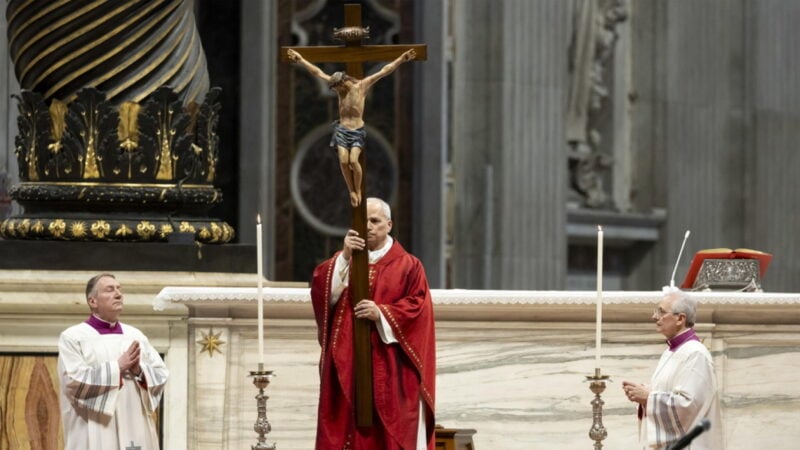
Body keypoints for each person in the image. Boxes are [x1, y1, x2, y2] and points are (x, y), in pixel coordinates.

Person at [310, 197, 436, 449]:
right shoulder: (344, 261)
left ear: (389, 225)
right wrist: (345, 256)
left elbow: (419, 308)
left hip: (390, 365)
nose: (367, 226)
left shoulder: (409, 265)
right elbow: (324, 295)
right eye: (362, 220)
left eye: (375, 221)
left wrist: (382, 313)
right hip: (349, 361)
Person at [287, 48, 416, 207]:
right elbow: (318, 72)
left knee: (353, 161)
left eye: (336, 87)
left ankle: (358, 190)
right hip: (342, 130)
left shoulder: (362, 86)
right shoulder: (339, 90)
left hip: (356, 131)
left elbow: (384, 71)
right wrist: (300, 59)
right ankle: (351, 191)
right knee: (343, 160)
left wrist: (402, 58)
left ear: (343, 82)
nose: (335, 91)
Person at [58, 273, 169, 450]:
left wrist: (139, 371)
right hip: (95, 426)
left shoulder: (135, 335)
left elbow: (161, 374)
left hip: (134, 421)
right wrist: (117, 367)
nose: (118, 294)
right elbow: (72, 380)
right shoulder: (73, 337)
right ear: (93, 301)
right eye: (110, 290)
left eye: (119, 289)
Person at [622, 287, 722, 449]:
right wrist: (645, 393)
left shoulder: (695, 354)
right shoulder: (672, 351)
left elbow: (688, 406)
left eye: (661, 312)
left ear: (680, 319)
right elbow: (670, 392)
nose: (654, 317)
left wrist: (648, 397)